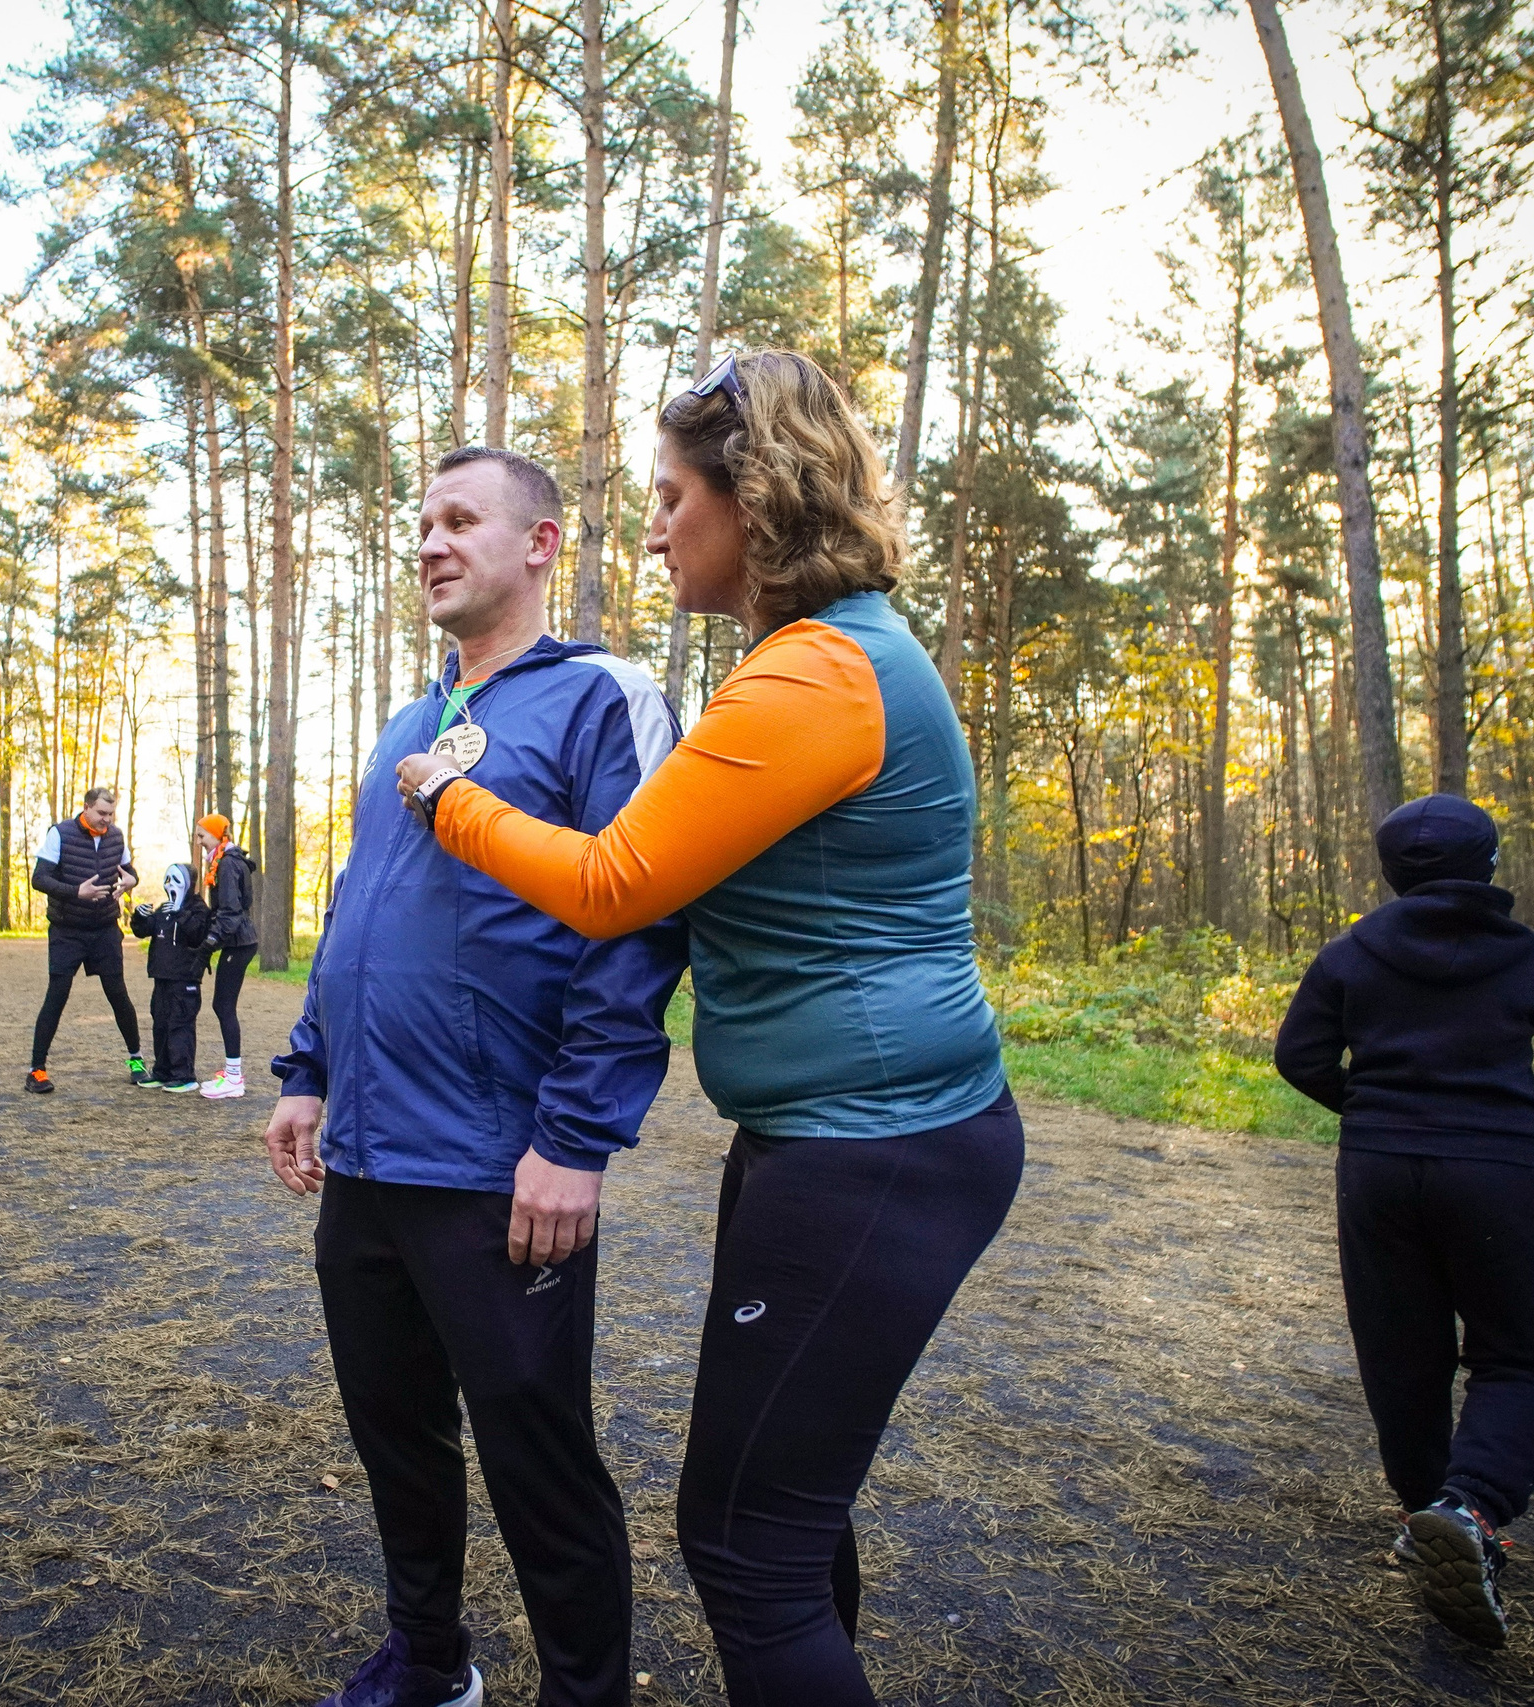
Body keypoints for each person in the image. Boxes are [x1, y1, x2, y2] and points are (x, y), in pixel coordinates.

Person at [392, 351, 1020, 1707]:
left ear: (760, 493)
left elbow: (616, 879)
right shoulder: (818, 661)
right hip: (841, 1137)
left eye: (676, 494)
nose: (661, 522)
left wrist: (448, 795)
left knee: (745, 1545)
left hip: (878, 1146)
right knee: (793, 1518)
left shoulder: (819, 677)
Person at [266, 443, 686, 1707]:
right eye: (423, 524)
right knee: (395, 1434)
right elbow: (360, 912)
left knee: (536, 1453)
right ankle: (432, 1660)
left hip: (504, 1162)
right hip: (373, 1153)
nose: (431, 543)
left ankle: (583, 1693)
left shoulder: (603, 697)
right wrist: (304, 1068)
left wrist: (577, 1141)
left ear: (542, 544)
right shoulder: (408, 724)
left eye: (461, 520)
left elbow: (639, 923)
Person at [1274, 794, 1534, 1649]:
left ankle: (1427, 1517)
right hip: (1500, 1171)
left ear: (1391, 871)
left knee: (1401, 1356)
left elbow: (1297, 1056)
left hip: (1377, 1172)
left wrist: (1369, 1109)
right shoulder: (1529, 956)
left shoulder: (1352, 949)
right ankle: (1471, 1506)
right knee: (1521, 1358)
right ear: (1488, 864)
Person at [25, 786, 144, 1093]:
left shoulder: (116, 837)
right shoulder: (60, 834)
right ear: (87, 808)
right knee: (57, 994)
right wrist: (76, 892)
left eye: (111, 814)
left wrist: (132, 880)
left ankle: (136, 1060)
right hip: (68, 929)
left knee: (118, 994)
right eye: (102, 813)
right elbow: (39, 878)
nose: (107, 820)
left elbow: (129, 872)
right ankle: (37, 1070)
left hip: (104, 927)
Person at [130, 862, 216, 1092]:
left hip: (185, 978)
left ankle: (183, 1074)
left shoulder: (197, 908)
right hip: (162, 977)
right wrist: (139, 917)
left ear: (188, 883)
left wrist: (181, 913)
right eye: (167, 880)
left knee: (180, 1024)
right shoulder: (164, 909)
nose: (170, 885)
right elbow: (143, 930)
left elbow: (198, 934)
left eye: (176, 880)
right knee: (161, 1023)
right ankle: (162, 1070)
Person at [195, 813, 257, 1099]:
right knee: (222, 1005)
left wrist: (210, 943)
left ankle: (234, 1078)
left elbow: (231, 911)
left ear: (217, 835)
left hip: (239, 943)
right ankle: (232, 1073)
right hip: (236, 942)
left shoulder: (228, 863)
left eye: (202, 835)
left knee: (223, 1005)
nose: (199, 841)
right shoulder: (224, 860)